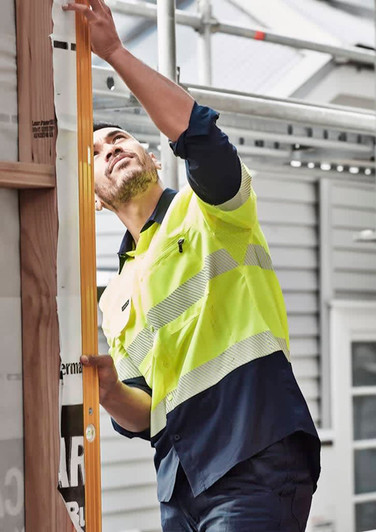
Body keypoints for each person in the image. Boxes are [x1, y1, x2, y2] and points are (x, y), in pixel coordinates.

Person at [63, 2, 321, 531]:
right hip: (181, 482)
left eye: (119, 138)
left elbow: (198, 133)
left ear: (155, 156)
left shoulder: (210, 211)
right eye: (95, 152)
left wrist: (112, 51)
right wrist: (110, 393)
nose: (110, 149)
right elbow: (146, 413)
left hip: (253, 455)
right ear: (90, 198)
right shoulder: (112, 297)